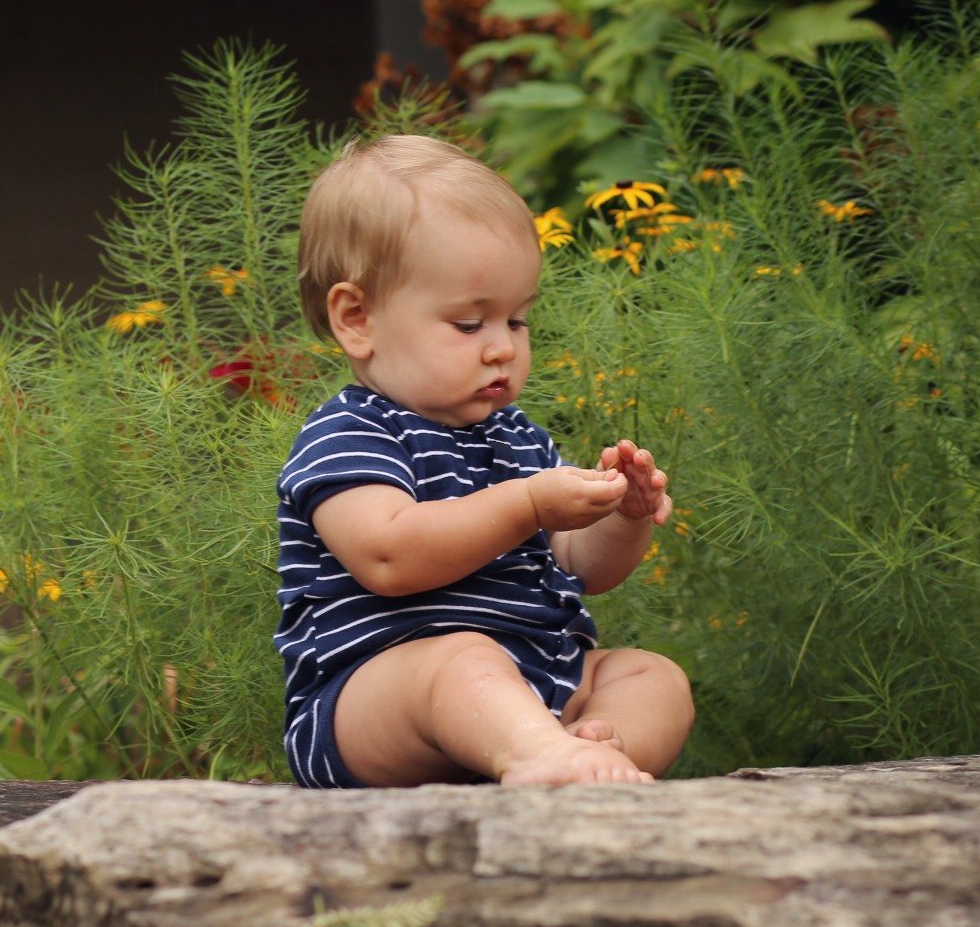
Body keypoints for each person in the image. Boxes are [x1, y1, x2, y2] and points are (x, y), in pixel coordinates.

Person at [275, 134, 694, 788]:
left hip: (539, 678)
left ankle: (595, 750)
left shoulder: (517, 437)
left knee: (652, 675)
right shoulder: (350, 432)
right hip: (376, 699)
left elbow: (581, 566)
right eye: (470, 325)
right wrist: (529, 503)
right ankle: (542, 753)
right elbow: (390, 556)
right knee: (464, 659)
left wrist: (626, 517)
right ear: (358, 317)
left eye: (518, 320)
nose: (501, 348)